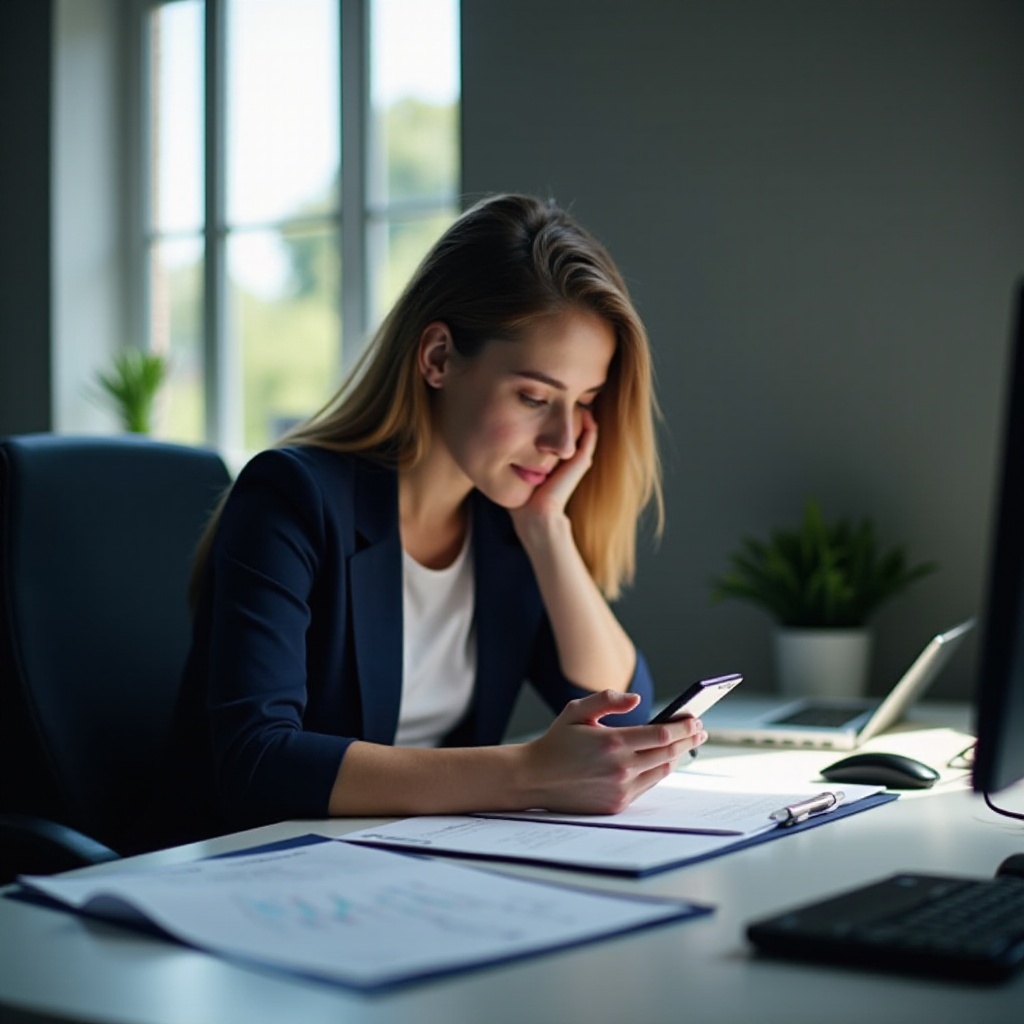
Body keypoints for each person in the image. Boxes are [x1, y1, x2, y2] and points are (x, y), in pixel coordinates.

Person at [168, 192, 707, 842]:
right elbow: (258, 763)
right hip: (253, 873)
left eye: (585, 400)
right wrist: (527, 771)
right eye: (535, 396)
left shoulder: (505, 528)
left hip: (420, 868)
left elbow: (624, 718)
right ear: (438, 358)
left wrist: (547, 531)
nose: (565, 440)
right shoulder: (292, 496)